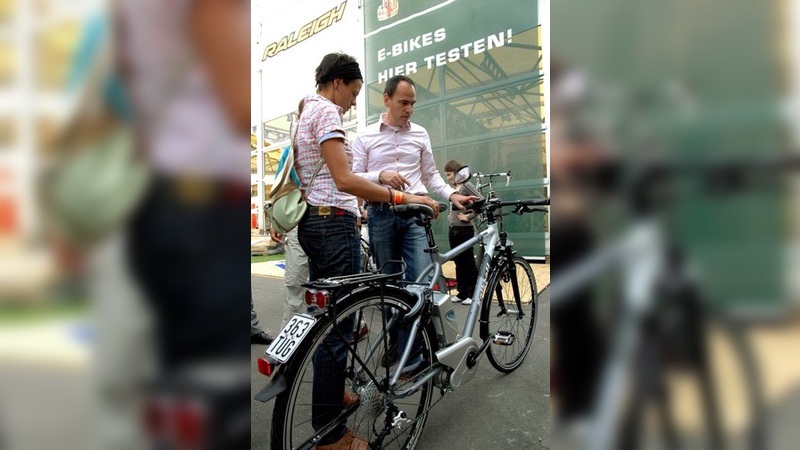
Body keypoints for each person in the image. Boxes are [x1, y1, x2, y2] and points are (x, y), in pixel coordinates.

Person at [294, 53, 438, 450]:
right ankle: (330, 433)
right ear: (337, 82)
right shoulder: (327, 113)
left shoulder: (306, 109)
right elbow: (345, 178)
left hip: (312, 221)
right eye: (354, 92)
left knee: (326, 316)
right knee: (340, 325)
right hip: (334, 223)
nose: (355, 101)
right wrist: (398, 194)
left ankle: (331, 390)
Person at [352, 75, 478, 369]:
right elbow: (356, 177)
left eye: (412, 104)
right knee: (389, 285)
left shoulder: (420, 134)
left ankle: (415, 354)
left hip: (415, 216)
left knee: (419, 284)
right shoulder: (365, 136)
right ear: (386, 99)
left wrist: (453, 195)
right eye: (403, 102)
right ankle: (399, 343)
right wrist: (380, 176)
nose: (409, 109)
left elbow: (431, 175)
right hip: (382, 214)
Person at [443, 159, 483, 305]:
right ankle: (462, 292)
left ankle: (473, 293)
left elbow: (481, 202)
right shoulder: (454, 189)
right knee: (458, 261)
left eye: (449, 174)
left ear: (457, 172)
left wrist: (469, 216)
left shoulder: (467, 186)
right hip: (453, 229)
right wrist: (451, 217)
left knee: (467, 262)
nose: (448, 178)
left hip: (464, 230)